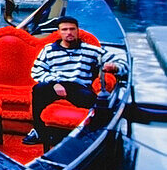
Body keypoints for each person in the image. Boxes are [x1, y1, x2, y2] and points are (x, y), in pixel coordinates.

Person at [22, 15, 120, 145]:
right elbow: (36, 71)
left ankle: (89, 133)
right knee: (38, 90)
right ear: (59, 32)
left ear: (77, 31)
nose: (69, 33)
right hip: (55, 84)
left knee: (92, 101)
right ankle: (39, 131)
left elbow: (118, 62)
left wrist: (115, 67)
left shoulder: (91, 50)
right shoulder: (49, 50)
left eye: (72, 29)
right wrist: (54, 83)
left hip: (78, 87)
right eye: (65, 29)